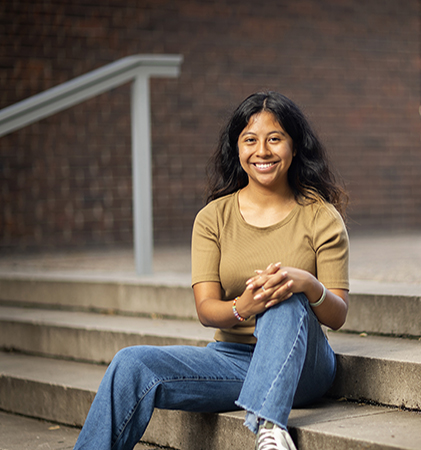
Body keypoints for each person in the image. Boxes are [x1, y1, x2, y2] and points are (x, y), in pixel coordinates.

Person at [73, 91, 350, 450]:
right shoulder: (212, 219)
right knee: (131, 363)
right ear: (237, 149)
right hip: (232, 360)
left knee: (282, 295)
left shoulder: (320, 214)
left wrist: (307, 284)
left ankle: (270, 428)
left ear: (294, 147)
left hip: (304, 367)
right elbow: (207, 310)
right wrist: (244, 306)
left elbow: (338, 314)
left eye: (275, 139)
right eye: (250, 140)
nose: (262, 151)